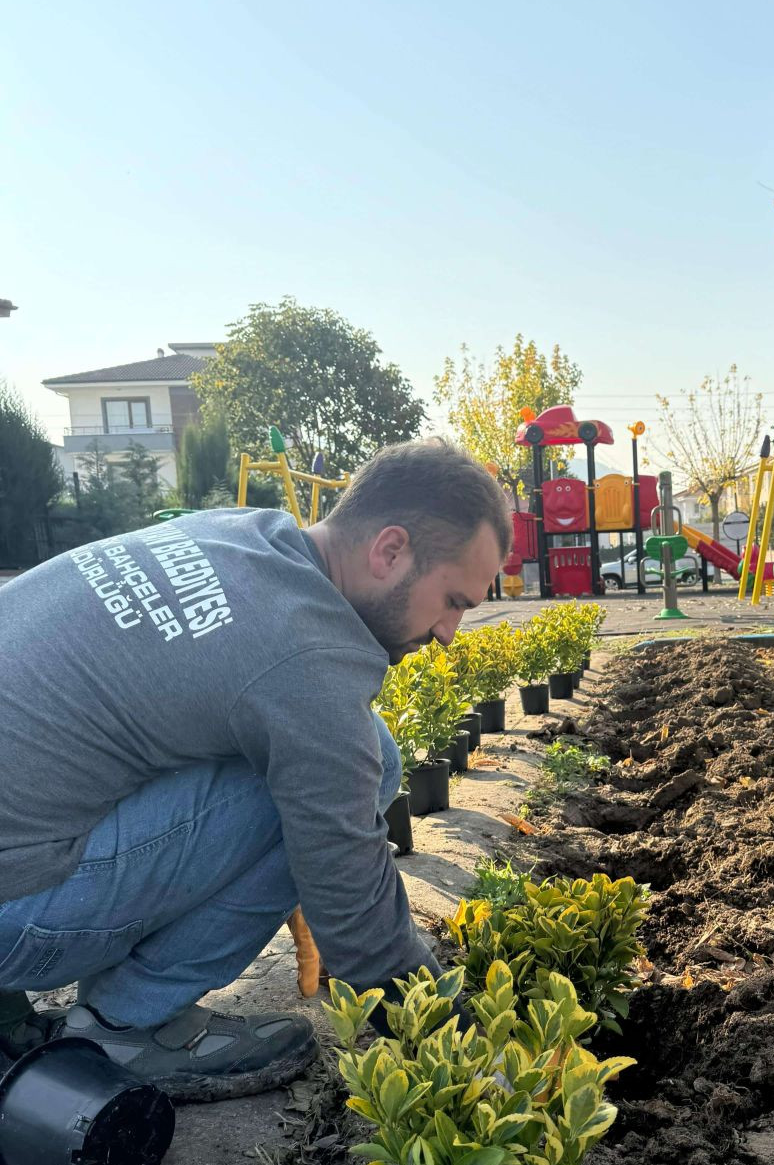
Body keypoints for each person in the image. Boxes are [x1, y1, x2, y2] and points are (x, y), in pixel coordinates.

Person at [0, 441, 510, 1099]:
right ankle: (124, 1023)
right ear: (390, 550)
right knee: (364, 767)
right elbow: (357, 923)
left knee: (337, 751)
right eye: (453, 600)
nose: (450, 631)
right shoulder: (306, 658)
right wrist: (471, 1059)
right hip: (17, 914)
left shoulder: (241, 534)